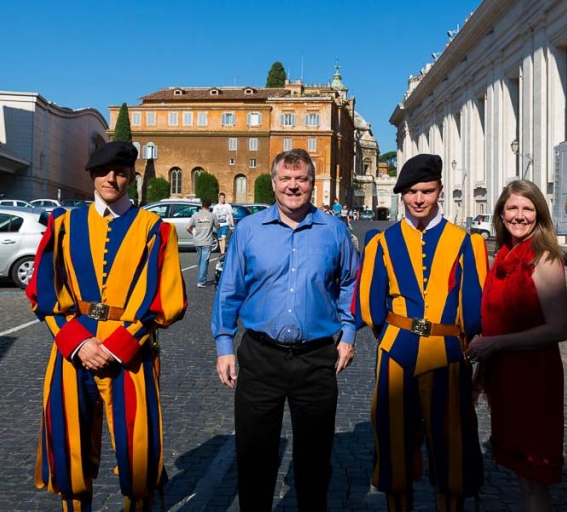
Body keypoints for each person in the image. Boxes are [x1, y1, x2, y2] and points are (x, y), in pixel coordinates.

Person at [26, 141, 188, 511]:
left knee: (138, 448)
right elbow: (44, 291)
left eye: (119, 172)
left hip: (129, 352)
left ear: (131, 175)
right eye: (103, 172)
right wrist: (78, 343)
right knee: (70, 446)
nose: (111, 179)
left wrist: (118, 346)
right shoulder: (63, 225)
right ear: (92, 175)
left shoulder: (155, 229)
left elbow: (165, 299)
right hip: (73, 349)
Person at [212, 148, 360, 511]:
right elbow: (229, 289)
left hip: (316, 359)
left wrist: (349, 335)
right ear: (274, 182)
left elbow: (350, 284)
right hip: (261, 357)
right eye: (285, 179)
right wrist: (224, 345)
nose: (293, 186)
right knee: (254, 456)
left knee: (314, 459)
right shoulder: (248, 230)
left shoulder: (334, 231)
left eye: (301, 179)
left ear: (312, 183)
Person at [355, 153, 487, 512]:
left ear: (439, 191)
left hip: (447, 353)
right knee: (393, 440)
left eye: (426, 191)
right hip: (396, 351)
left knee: (452, 441)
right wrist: (391, 335)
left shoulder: (465, 242)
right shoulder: (381, 242)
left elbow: (474, 305)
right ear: (402, 195)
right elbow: (368, 304)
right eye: (411, 191)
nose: (418, 199)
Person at [466, 180, 567, 512]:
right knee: (523, 478)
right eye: (512, 207)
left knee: (534, 477)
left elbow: (557, 329)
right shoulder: (503, 256)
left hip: (534, 380)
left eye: (527, 208)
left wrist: (495, 344)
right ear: (501, 213)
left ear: (539, 214)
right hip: (507, 378)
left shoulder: (545, 258)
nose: (519, 215)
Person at [188, 198, 219, 288]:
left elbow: (188, 227)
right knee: (204, 261)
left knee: (200, 260)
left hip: (197, 241)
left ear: (202, 205)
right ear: (209, 206)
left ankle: (202, 276)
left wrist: (193, 233)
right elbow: (217, 226)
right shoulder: (212, 215)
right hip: (207, 241)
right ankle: (201, 280)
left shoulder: (195, 215)